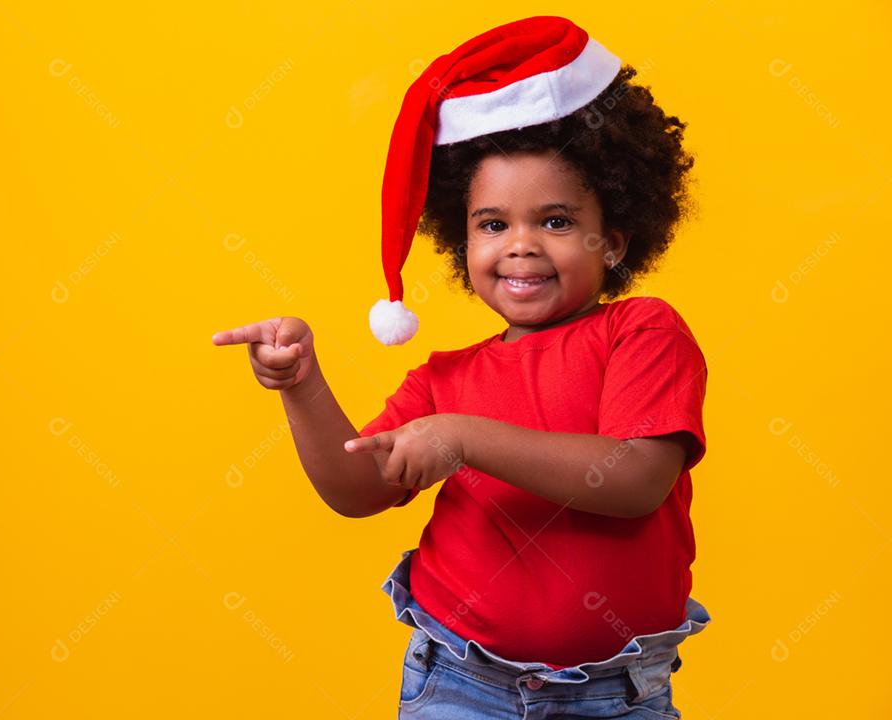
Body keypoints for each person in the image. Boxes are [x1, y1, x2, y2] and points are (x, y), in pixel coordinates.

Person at [212, 15, 710, 719]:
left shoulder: (643, 331)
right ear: (460, 238)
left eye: (558, 221)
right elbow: (358, 488)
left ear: (617, 238)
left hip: (617, 697)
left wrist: (462, 440)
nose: (522, 245)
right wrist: (301, 384)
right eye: (493, 223)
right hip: (460, 683)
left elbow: (634, 480)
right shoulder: (444, 380)